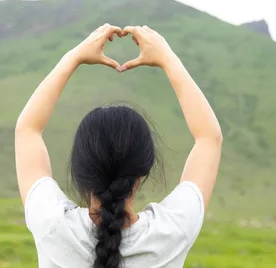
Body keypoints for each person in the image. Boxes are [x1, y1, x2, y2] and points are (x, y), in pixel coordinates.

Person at [15, 24, 223, 268]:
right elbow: (209, 138)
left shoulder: (51, 224)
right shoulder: (173, 231)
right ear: (144, 168)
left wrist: (73, 57)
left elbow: (27, 130)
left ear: (79, 168)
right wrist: (168, 58)